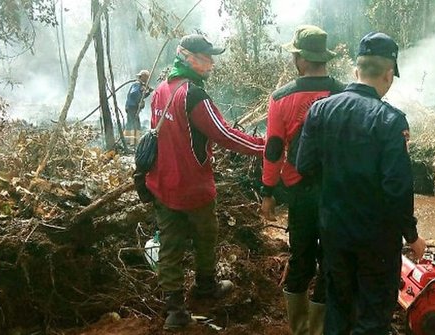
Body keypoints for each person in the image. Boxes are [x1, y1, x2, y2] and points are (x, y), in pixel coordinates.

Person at [295, 32, 426, 335]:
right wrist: (412, 235)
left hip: (333, 233)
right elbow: (398, 188)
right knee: (372, 315)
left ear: (356, 70)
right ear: (389, 74)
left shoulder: (320, 110)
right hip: (376, 239)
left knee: (338, 308)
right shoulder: (391, 121)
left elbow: (304, 166)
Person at [145, 34, 265, 331]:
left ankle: (174, 309)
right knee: (205, 237)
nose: (211, 63)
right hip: (192, 187)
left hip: (163, 184)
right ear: (187, 57)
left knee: (170, 246)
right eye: (205, 57)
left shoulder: (161, 89)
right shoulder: (194, 95)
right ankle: (205, 287)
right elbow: (225, 135)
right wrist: (264, 147)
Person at [260, 25, 344, 335]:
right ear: (324, 58)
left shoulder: (282, 98)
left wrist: (267, 191)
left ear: (301, 60)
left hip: (299, 192)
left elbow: (273, 149)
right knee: (332, 259)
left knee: (301, 258)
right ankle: (322, 328)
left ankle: (299, 329)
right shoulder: (344, 93)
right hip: (338, 194)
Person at [125, 69, 151, 136]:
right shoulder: (137, 84)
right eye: (146, 78)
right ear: (143, 77)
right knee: (133, 124)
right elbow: (134, 94)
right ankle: (131, 141)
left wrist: (148, 92)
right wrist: (140, 102)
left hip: (132, 107)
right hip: (132, 107)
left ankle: (132, 141)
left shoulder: (139, 85)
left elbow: (141, 96)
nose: (147, 79)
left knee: (134, 124)